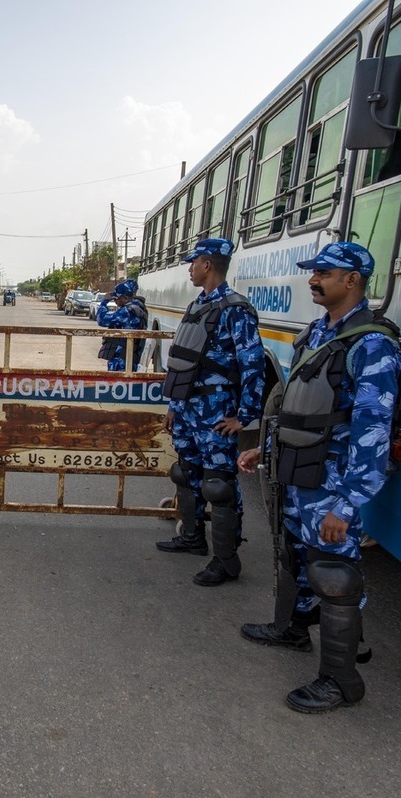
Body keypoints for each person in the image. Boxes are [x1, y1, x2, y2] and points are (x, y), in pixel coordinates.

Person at [237, 241, 401, 713]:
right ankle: (291, 630)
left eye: (325, 273)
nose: (314, 279)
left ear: (353, 280)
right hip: (297, 469)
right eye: (314, 272)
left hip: (331, 481)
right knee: (295, 552)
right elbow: (295, 405)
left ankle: (341, 680)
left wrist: (348, 504)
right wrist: (263, 451)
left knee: (334, 572)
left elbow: (373, 431)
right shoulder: (315, 333)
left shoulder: (372, 344)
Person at [156, 238, 265, 588]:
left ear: (208, 264)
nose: (189, 268)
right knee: (185, 473)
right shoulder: (198, 305)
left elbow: (253, 365)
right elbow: (183, 361)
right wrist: (174, 407)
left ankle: (226, 561)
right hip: (188, 408)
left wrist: (244, 417)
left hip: (217, 410)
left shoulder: (236, 309)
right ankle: (191, 537)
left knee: (218, 485)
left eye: (193, 262)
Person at [95, 278, 148, 371]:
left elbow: (101, 320)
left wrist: (104, 302)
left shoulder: (127, 311)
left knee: (117, 383)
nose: (115, 301)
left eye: (117, 298)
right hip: (130, 357)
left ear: (125, 298)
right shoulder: (138, 308)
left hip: (122, 359)